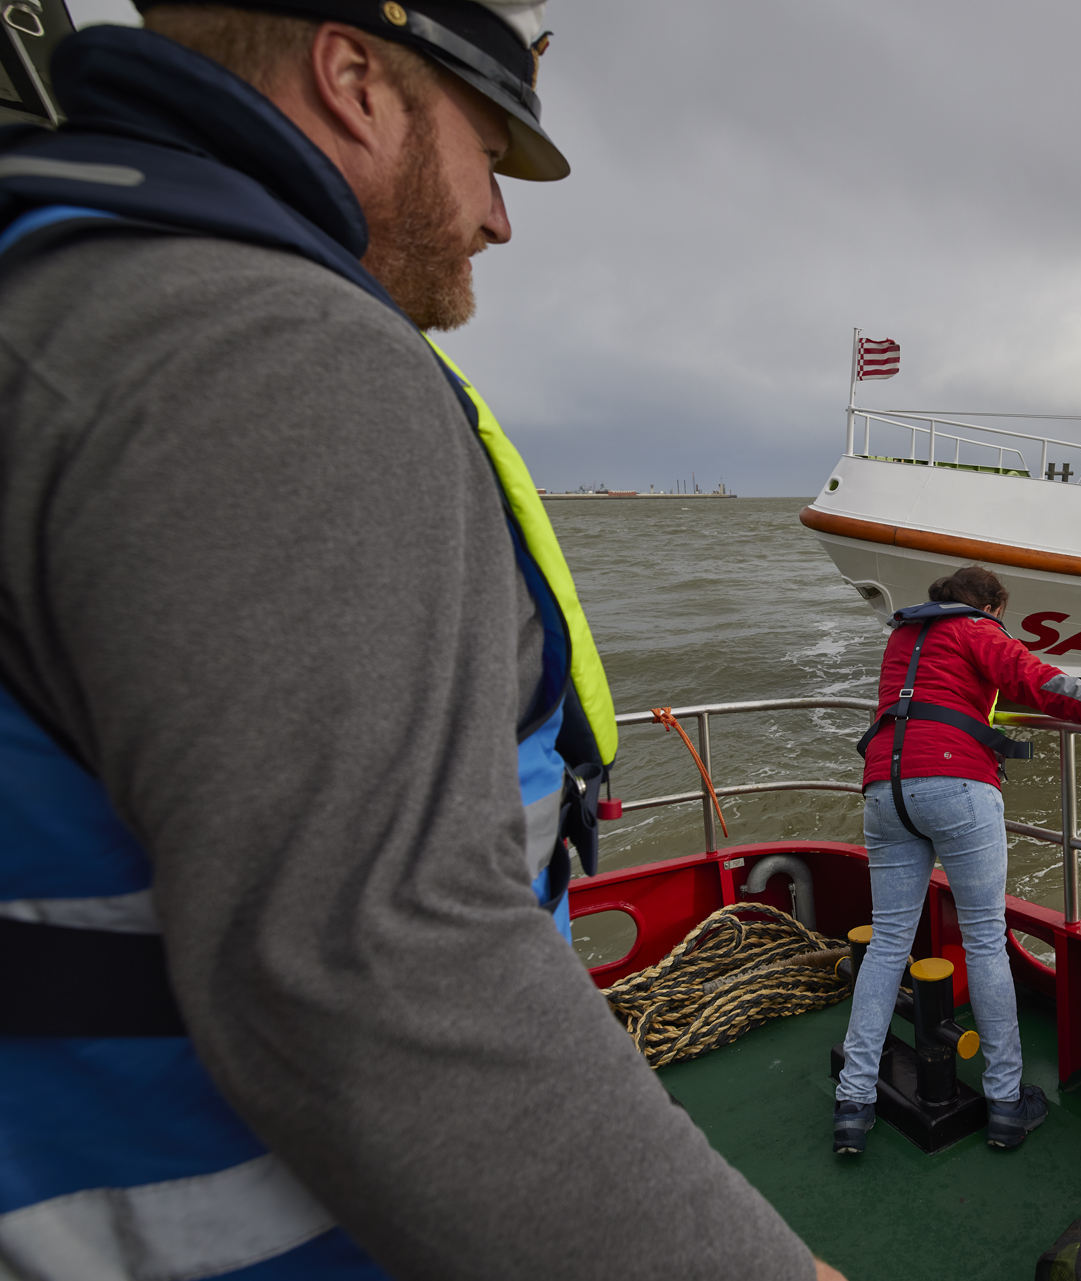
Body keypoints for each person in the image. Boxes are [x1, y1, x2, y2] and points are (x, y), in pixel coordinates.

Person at [0, 4, 839, 1277]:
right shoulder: (263, 350)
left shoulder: (67, 285)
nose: (499, 215)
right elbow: (382, 971)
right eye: (489, 152)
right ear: (355, 82)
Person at [835, 565, 1081, 1155]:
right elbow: (1040, 682)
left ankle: (853, 1103)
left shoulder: (902, 638)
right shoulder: (979, 630)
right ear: (994, 608)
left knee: (888, 945)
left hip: (885, 789)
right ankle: (1006, 1103)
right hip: (955, 784)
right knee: (984, 940)